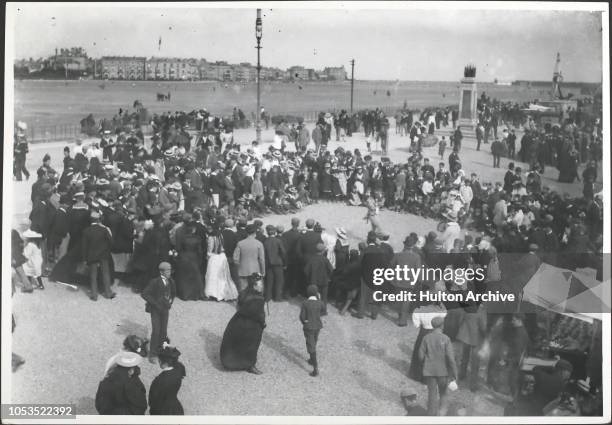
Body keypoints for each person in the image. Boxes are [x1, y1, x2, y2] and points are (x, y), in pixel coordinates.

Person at [220, 273, 266, 375]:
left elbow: (238, 307)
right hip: (252, 326)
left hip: (238, 322)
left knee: (238, 343)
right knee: (251, 345)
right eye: (260, 285)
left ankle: (233, 362)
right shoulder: (258, 299)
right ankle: (250, 365)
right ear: (254, 285)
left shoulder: (243, 293)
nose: (262, 287)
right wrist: (263, 323)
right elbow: (259, 315)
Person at [418, 316, 458, 416]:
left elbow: (420, 355)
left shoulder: (426, 338)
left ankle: (431, 415)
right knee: (443, 393)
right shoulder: (446, 339)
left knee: (432, 394)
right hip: (443, 371)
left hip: (430, 371)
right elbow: (451, 358)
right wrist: (454, 373)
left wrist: (424, 364)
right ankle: (441, 414)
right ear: (441, 326)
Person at [142, 262, 176, 363]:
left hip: (165, 310)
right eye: (167, 270)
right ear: (161, 272)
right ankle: (153, 354)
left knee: (164, 331)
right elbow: (144, 294)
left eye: (170, 270)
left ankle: (161, 350)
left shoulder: (171, 281)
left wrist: (170, 301)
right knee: (156, 331)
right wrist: (155, 304)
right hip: (155, 310)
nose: (169, 272)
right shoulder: (155, 282)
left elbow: (173, 293)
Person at [82, 210, 115, 301]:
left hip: (92, 256)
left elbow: (84, 247)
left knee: (93, 275)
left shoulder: (86, 231)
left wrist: (84, 259)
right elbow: (111, 242)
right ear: (98, 220)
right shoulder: (104, 230)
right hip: (103, 255)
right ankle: (108, 293)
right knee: (105, 274)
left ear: (91, 220)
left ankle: (94, 295)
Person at [149, 344, 186, 415]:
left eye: (159, 361)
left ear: (165, 363)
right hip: (174, 405)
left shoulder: (159, 380)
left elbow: (153, 398)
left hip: (162, 409)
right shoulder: (179, 371)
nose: (159, 362)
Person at [205, 224, 238, 301]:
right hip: (222, 256)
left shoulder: (211, 237)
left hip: (214, 257)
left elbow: (210, 249)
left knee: (213, 275)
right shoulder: (221, 236)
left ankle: (213, 293)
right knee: (222, 276)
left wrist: (207, 256)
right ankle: (222, 293)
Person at [175, 220, 205, 301]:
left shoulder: (183, 238)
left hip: (184, 256)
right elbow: (199, 251)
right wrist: (200, 260)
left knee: (184, 277)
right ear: (193, 230)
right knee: (194, 277)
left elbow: (178, 248)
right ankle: (194, 296)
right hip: (193, 257)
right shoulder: (197, 239)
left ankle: (184, 295)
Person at [300, 284, 326, 377]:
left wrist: (305, 322)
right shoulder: (320, 303)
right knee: (314, 341)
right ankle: (311, 359)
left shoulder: (305, 303)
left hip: (309, 327)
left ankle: (315, 368)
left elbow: (302, 317)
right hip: (318, 326)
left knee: (310, 345)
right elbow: (324, 311)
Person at [233, 224, 265, 292]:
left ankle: (244, 301)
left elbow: (235, 258)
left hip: (243, 269)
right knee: (257, 288)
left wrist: (239, 266)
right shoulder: (259, 244)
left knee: (243, 289)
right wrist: (263, 271)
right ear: (254, 233)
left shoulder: (240, 243)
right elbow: (262, 259)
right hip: (256, 269)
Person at [304, 243, 334, 315]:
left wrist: (309, 278)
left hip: (314, 281)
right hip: (324, 281)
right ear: (323, 251)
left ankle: (313, 311)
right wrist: (328, 277)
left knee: (314, 297)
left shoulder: (311, 259)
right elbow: (331, 269)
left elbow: (306, 270)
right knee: (324, 297)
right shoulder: (325, 259)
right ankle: (323, 311)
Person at [263, 225, 287, 302]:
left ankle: (268, 297)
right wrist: (285, 263)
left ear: (267, 232)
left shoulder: (265, 242)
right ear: (275, 232)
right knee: (279, 281)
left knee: (269, 281)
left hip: (269, 264)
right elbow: (283, 253)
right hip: (278, 264)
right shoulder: (278, 241)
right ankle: (277, 297)